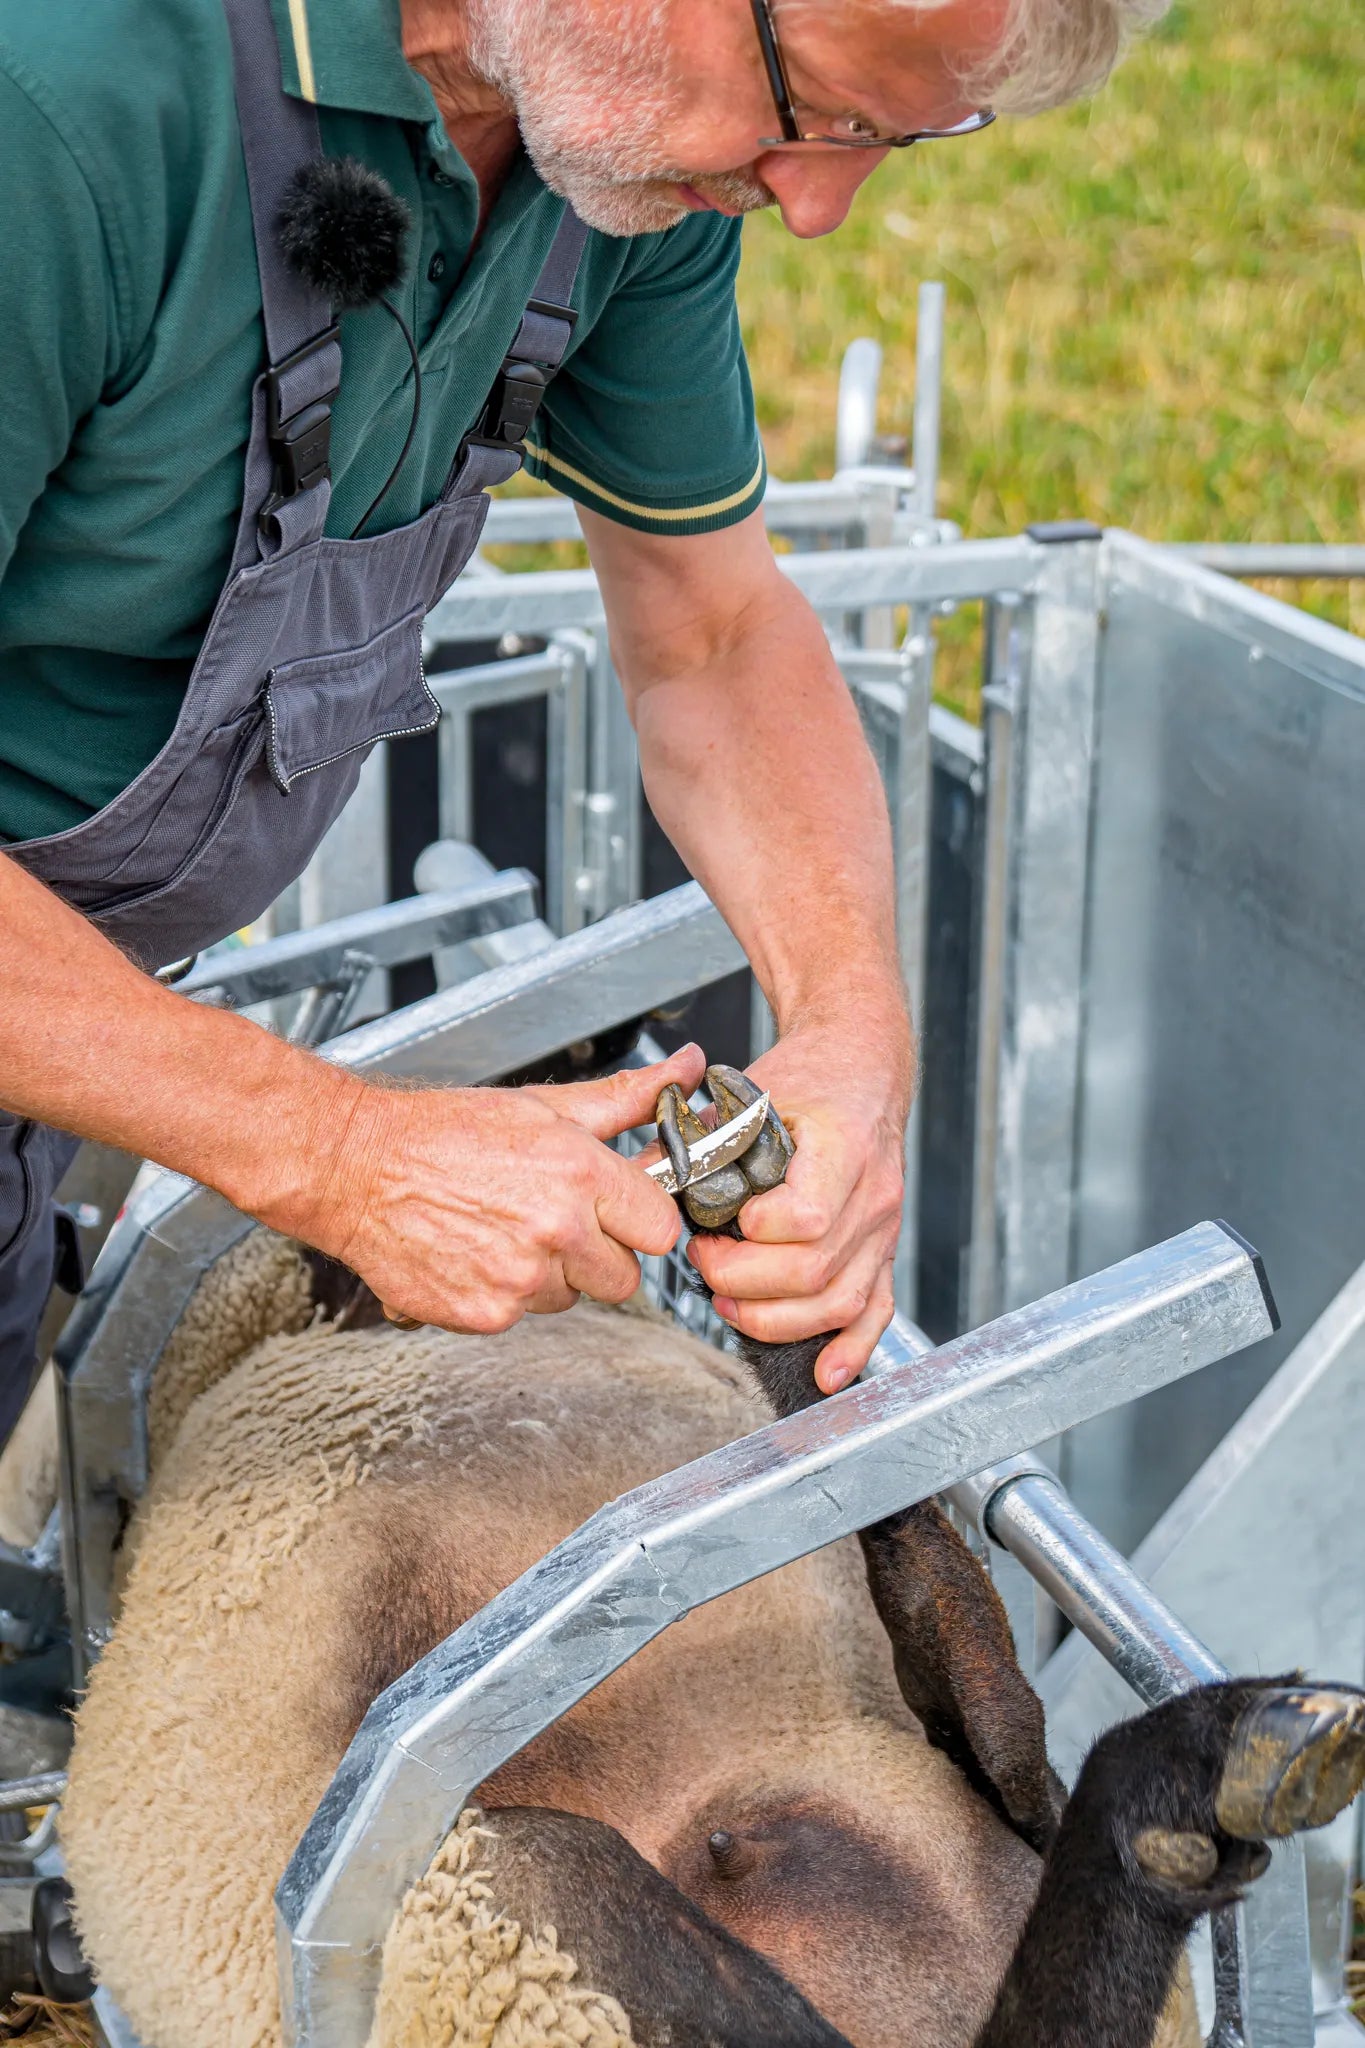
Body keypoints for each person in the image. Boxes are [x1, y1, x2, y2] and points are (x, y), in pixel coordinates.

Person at [0, 0, 1157, 1435]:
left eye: (895, 143)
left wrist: (853, 1032)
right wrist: (332, 1146)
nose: (812, 205)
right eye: (821, 118)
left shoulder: (600, 157)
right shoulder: (51, 98)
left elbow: (715, 631)